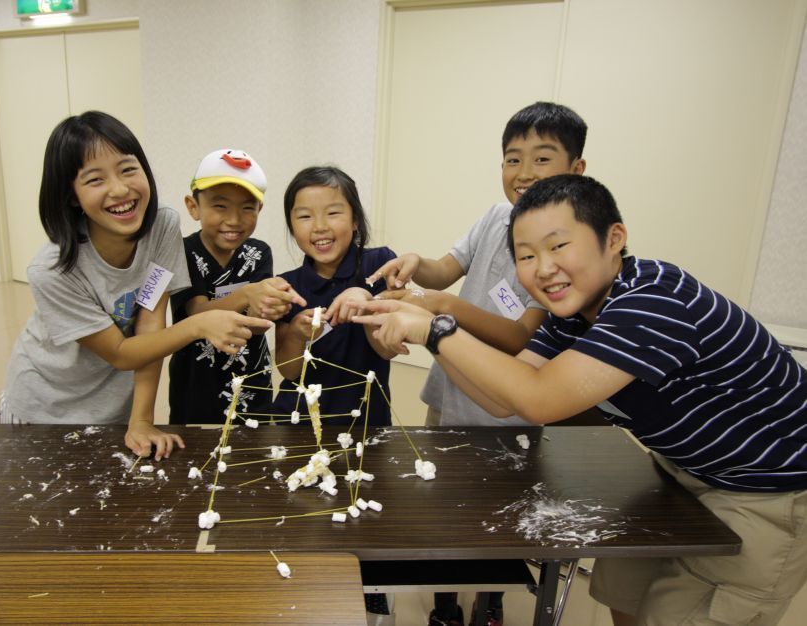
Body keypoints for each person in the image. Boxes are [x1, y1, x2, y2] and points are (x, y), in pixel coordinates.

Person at [354, 174, 807, 626]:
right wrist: (431, 338)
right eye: (526, 256)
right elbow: (503, 398)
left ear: (614, 239)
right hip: (682, 470)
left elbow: (539, 400)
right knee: (622, 586)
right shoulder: (570, 316)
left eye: (558, 246)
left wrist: (435, 327)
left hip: (766, 490)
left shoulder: (652, 299)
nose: (543, 268)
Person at [370, 101, 589, 626]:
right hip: (449, 390)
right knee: (437, 501)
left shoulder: (565, 251)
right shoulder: (494, 218)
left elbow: (519, 337)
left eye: (542, 159)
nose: (524, 173)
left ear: (576, 170)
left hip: (509, 408)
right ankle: (445, 599)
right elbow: (446, 270)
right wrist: (418, 264)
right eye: (513, 159)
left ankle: (489, 600)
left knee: (500, 513)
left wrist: (440, 308)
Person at [1, 112, 271, 461]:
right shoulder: (51, 270)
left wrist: (142, 420)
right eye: (95, 179)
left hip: (112, 409)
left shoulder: (161, 227)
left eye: (128, 169)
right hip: (43, 411)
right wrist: (199, 324)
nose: (120, 189)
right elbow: (120, 352)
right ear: (71, 196)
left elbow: (148, 324)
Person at [168, 149, 305, 425]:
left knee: (251, 452)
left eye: (247, 208)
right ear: (193, 207)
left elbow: (258, 323)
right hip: (196, 381)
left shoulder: (259, 252)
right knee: (195, 456)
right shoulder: (182, 252)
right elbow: (198, 312)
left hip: (251, 381)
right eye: (220, 206)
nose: (233, 219)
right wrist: (248, 294)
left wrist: (273, 307)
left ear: (259, 209)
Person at [273, 166, 397, 427]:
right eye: (305, 216)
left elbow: (386, 350)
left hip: (364, 421)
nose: (319, 227)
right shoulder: (288, 285)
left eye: (333, 213)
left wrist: (366, 303)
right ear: (292, 227)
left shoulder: (380, 264)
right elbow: (288, 370)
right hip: (299, 422)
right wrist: (296, 334)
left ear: (355, 220)